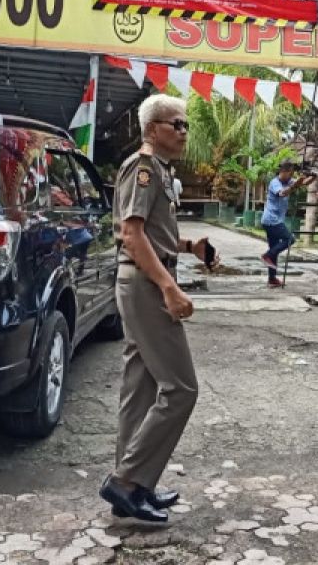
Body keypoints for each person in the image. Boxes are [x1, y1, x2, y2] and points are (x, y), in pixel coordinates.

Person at [101, 95, 220, 523]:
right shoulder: (144, 168)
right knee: (181, 389)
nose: (184, 131)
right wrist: (170, 288)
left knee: (142, 387)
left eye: (186, 124)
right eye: (177, 124)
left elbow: (151, 231)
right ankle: (127, 480)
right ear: (153, 130)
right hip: (146, 285)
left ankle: (135, 487)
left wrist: (190, 247)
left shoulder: (162, 172)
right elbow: (131, 236)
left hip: (146, 279)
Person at [259, 162, 314, 287]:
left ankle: (272, 278)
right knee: (290, 239)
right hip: (271, 220)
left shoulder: (288, 181)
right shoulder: (275, 183)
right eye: (290, 173)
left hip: (276, 220)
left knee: (274, 248)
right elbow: (283, 193)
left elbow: (304, 184)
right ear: (283, 171)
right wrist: (295, 184)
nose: (291, 176)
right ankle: (267, 256)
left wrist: (312, 176)